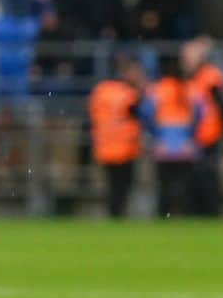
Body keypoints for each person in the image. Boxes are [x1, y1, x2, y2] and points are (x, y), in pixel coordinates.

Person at [141, 55, 203, 218]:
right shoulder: (191, 89)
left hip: (163, 144)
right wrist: (191, 135)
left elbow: (146, 114)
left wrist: (156, 134)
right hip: (185, 144)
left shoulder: (157, 90)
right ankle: (185, 215)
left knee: (164, 185)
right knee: (185, 184)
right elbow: (201, 114)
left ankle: (164, 215)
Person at [181, 37, 223, 217]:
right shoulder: (188, 79)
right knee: (192, 178)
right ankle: (195, 213)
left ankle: (211, 213)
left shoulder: (210, 76)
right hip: (190, 137)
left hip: (209, 135)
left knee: (209, 176)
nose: (186, 60)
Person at [87, 57, 144, 218]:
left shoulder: (101, 90)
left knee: (112, 187)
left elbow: (94, 114)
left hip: (104, 146)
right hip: (124, 147)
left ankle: (113, 215)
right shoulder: (129, 94)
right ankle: (117, 215)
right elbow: (138, 115)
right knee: (123, 186)